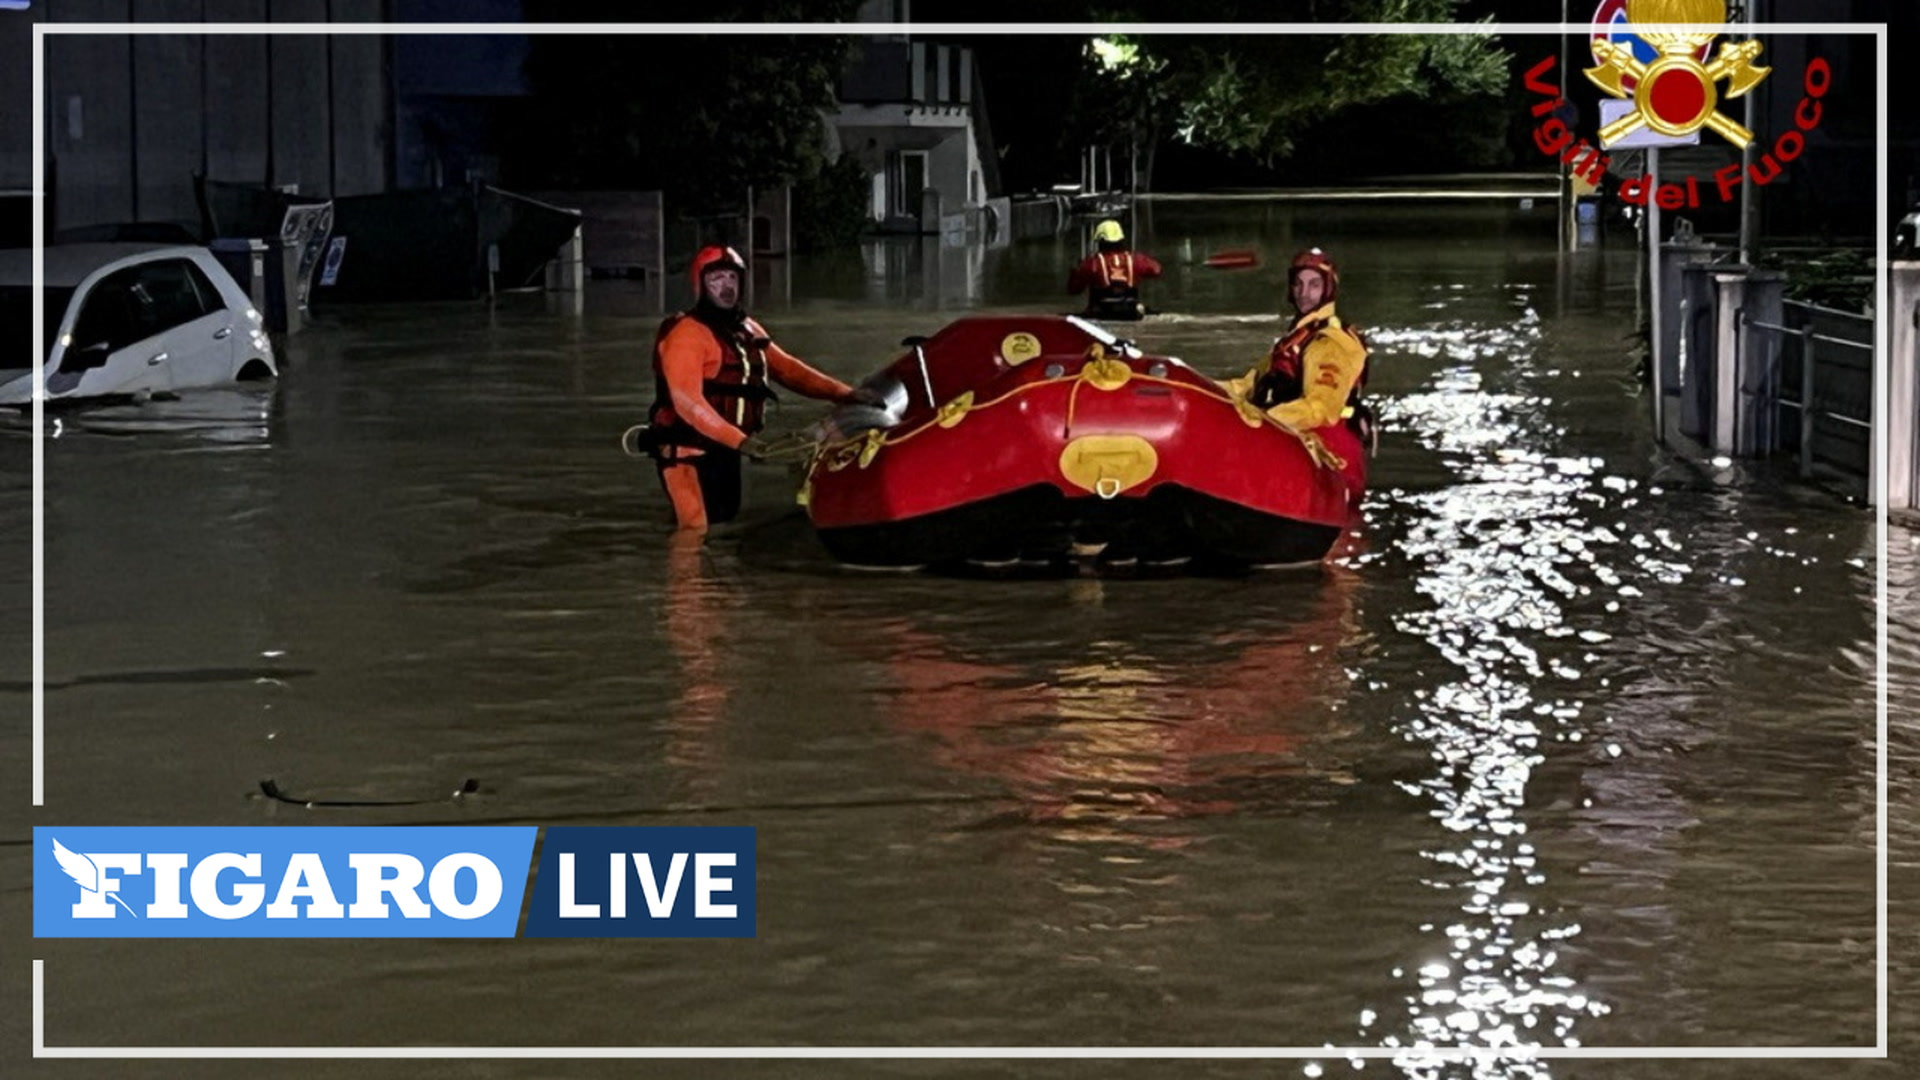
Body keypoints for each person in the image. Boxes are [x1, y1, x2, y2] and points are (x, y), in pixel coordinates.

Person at [642, 245, 881, 531]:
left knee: (724, 520)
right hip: (686, 452)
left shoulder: (747, 329)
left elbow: (789, 370)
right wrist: (744, 443)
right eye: (716, 279)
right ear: (700, 284)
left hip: (726, 449)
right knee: (694, 529)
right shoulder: (685, 335)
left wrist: (845, 394)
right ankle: (682, 574)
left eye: (732, 277)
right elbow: (689, 404)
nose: (726, 286)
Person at [1220, 247, 1370, 445]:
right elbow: (1249, 384)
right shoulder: (1296, 339)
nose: (1304, 293)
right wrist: (1200, 387)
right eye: (1298, 284)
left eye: (1314, 285)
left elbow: (1320, 409)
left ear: (1328, 288)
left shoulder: (1329, 344)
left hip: (1325, 443)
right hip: (1287, 429)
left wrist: (1263, 419)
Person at [1066, 219, 1162, 321]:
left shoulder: (1091, 263)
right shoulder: (1136, 260)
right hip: (1131, 311)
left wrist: (1075, 272)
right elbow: (1157, 270)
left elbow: (1073, 290)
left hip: (1100, 314)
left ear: (1100, 242)